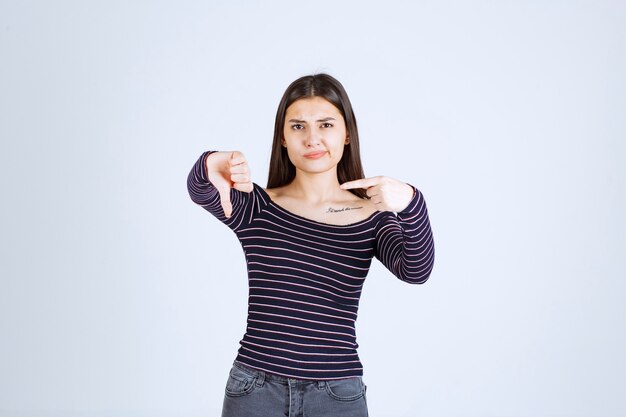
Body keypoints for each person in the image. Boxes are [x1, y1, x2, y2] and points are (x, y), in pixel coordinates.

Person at [187, 73, 435, 417]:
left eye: (326, 124)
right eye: (298, 126)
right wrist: (211, 160)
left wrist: (412, 202)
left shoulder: (372, 215)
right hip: (255, 389)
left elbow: (416, 270)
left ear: (347, 133)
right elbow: (201, 185)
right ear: (283, 138)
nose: (312, 138)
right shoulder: (257, 206)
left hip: (336, 393)